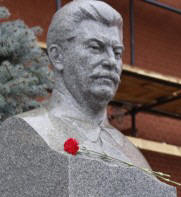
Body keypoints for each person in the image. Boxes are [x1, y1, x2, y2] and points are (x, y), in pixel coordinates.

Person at [6, 0, 149, 169]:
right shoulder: (26, 132)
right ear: (58, 56)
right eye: (95, 47)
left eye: (117, 52)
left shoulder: (134, 156)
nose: (111, 61)